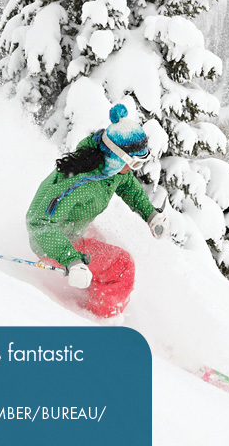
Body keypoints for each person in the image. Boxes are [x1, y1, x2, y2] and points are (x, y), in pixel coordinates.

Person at [26, 103, 169, 318]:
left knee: (106, 249)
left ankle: (92, 292)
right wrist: (71, 259)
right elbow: (39, 223)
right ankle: (100, 318)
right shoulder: (78, 184)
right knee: (122, 265)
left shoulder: (108, 167)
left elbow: (127, 184)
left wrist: (150, 214)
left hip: (73, 230)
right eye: (136, 163)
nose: (134, 169)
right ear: (119, 157)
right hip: (53, 242)